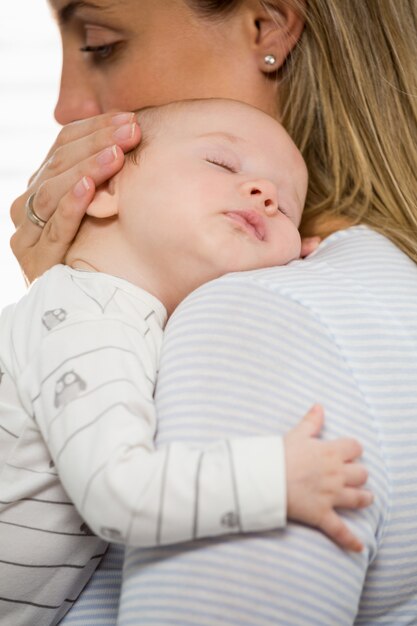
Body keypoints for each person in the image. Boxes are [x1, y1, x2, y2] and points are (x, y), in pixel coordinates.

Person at [7, 1, 417, 625]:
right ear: (108, 193)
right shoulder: (378, 285)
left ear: (268, 26)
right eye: (224, 166)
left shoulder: (255, 313)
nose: (66, 108)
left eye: (99, 41)